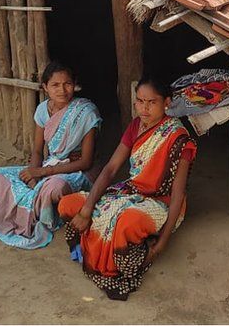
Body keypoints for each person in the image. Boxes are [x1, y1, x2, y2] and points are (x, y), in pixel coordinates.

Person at [58, 76, 197, 300]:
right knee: (69, 204)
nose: (144, 108)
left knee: (125, 223)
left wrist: (162, 244)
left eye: (152, 102)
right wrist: (86, 209)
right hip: (128, 191)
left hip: (161, 201)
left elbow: (178, 194)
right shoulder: (135, 126)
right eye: (140, 101)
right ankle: (101, 250)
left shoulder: (179, 139)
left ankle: (136, 253)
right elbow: (111, 169)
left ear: (167, 102)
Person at [0, 62, 101, 249]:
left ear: (74, 84)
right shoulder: (42, 110)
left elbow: (86, 162)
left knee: (54, 187)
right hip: (49, 165)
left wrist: (43, 173)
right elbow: (37, 150)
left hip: (77, 170)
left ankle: (43, 211)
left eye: (67, 84)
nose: (62, 90)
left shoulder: (86, 112)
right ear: (45, 87)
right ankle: (35, 202)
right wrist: (33, 172)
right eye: (55, 85)